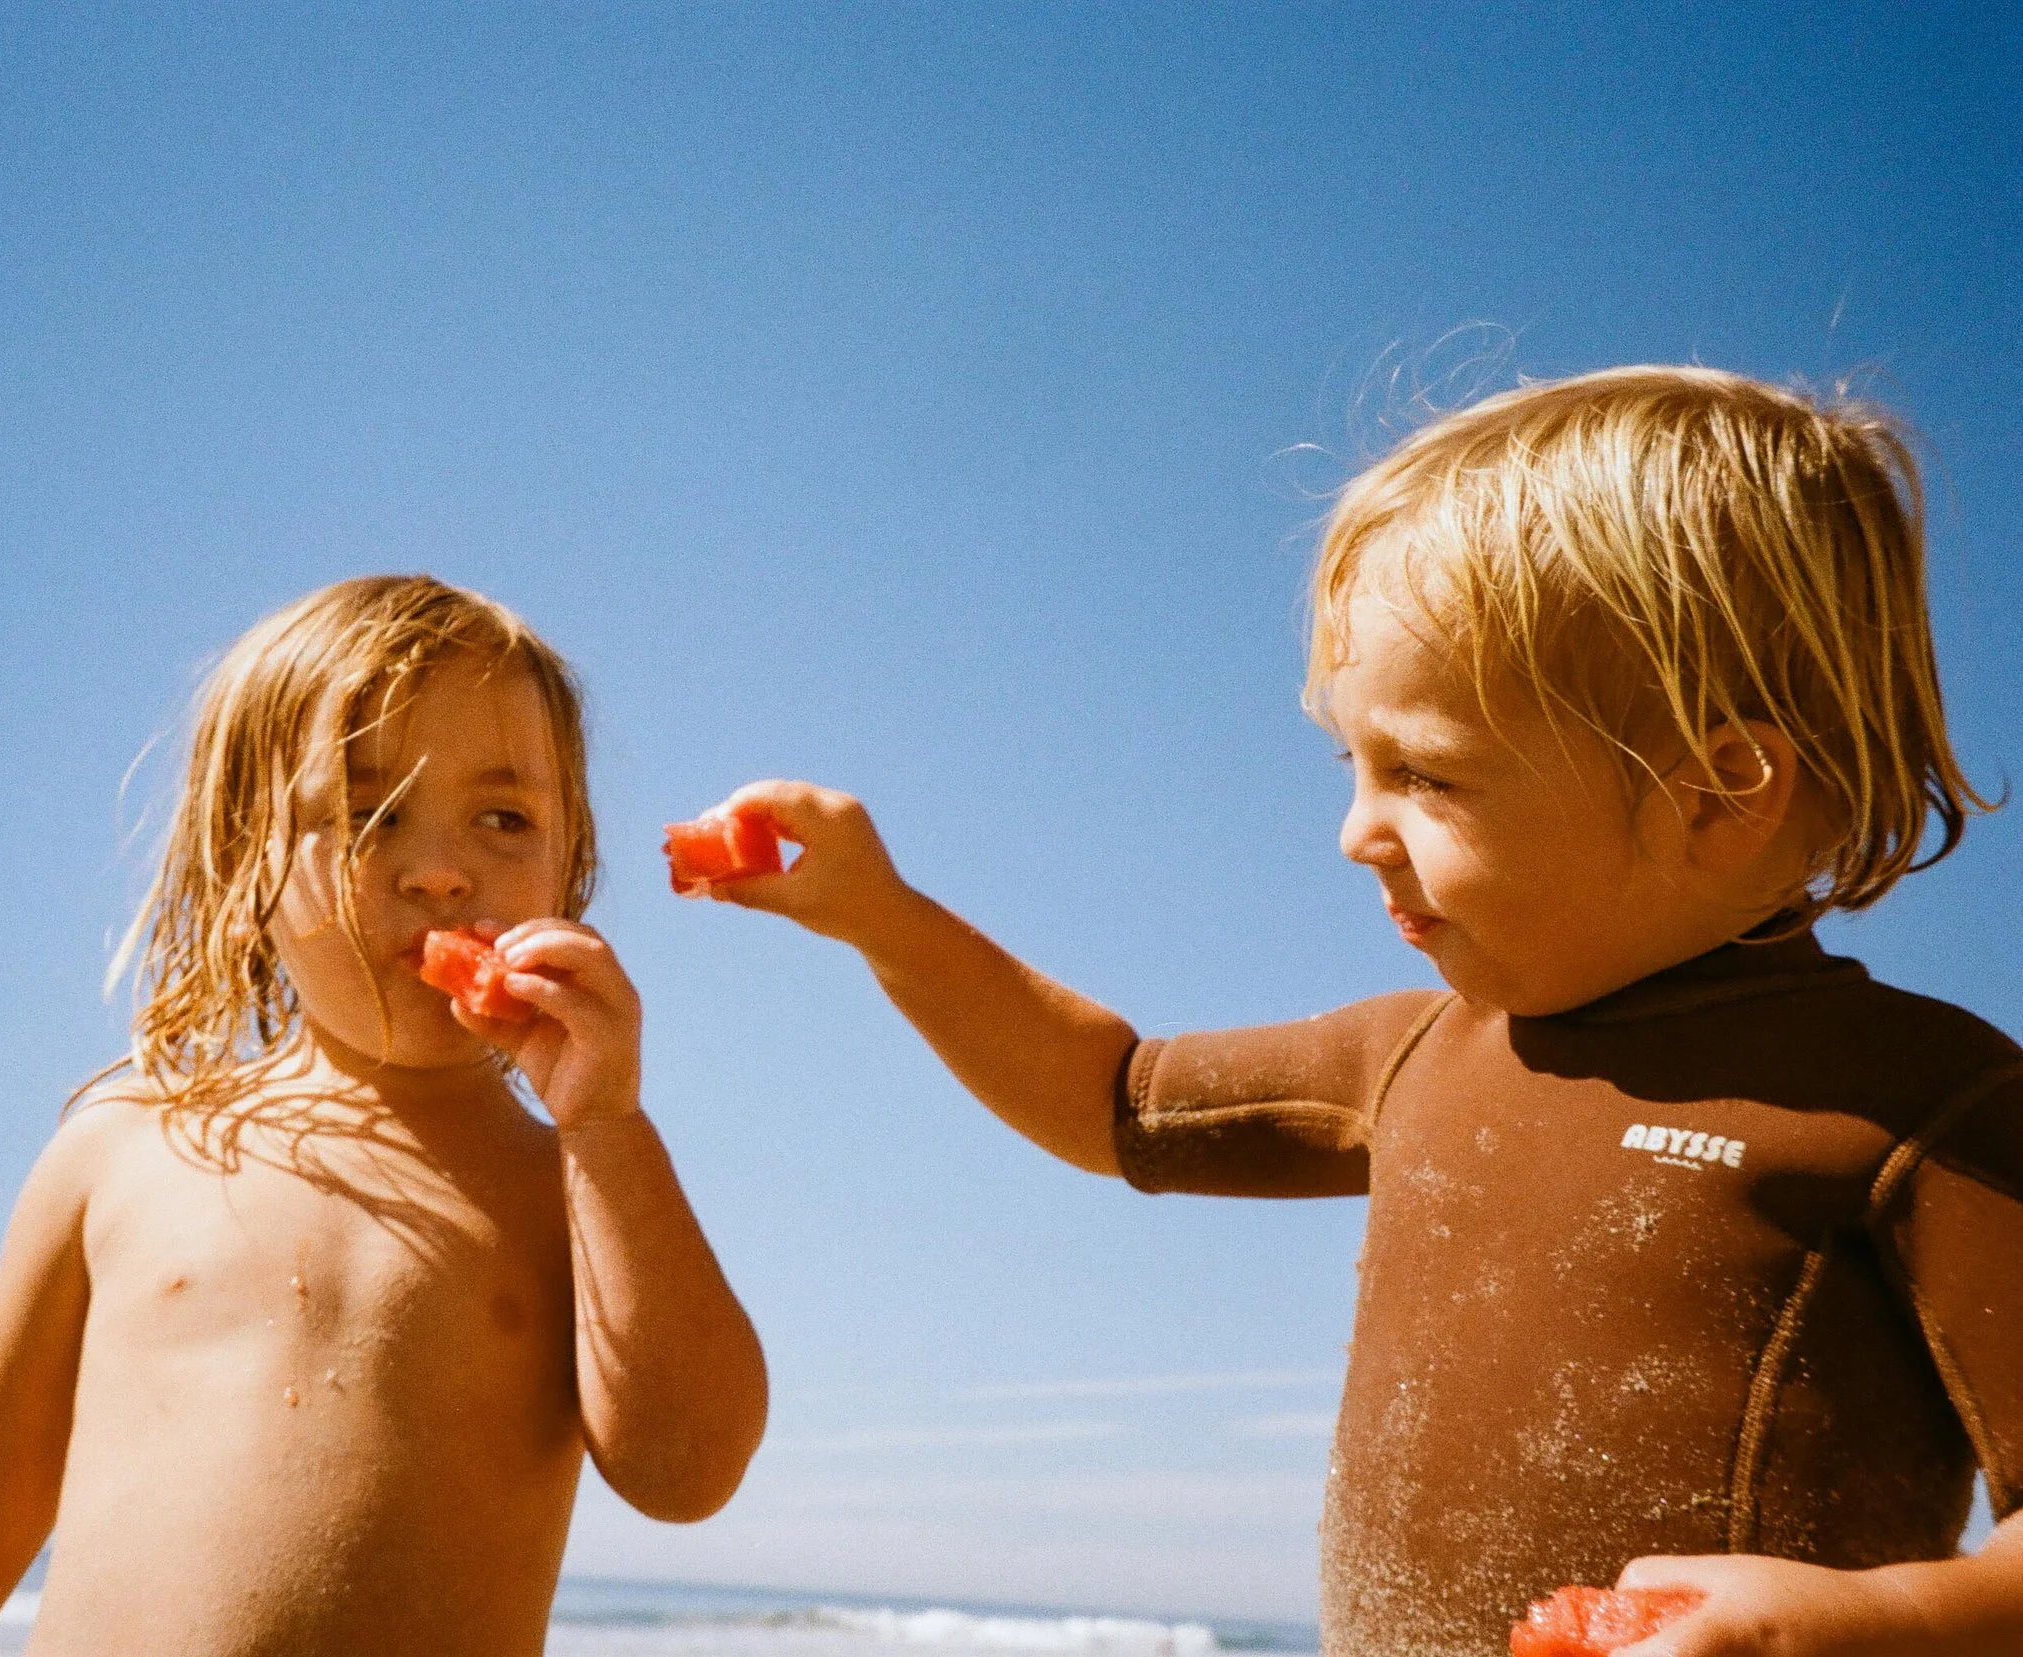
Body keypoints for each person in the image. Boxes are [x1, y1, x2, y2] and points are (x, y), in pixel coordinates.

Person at [692, 368, 2023, 1656]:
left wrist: (1872, 1626)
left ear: (1717, 793)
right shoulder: (1414, 1057)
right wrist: (884, 916)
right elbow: (1110, 1100)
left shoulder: (1926, 1109)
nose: (1355, 834)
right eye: (1355, 764)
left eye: (1425, 776)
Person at [0, 575, 767, 1656]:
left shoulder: (570, 1185)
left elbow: (688, 1472)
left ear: (569, 864)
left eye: (504, 818)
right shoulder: (123, 1148)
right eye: (367, 814)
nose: (444, 871)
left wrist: (608, 1130)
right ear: (241, 856)